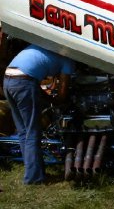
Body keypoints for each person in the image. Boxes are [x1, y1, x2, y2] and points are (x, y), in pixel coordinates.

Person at [3, 44, 75, 184]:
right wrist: (58, 102)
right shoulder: (68, 59)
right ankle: (33, 178)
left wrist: (48, 99)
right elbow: (63, 92)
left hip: (8, 79)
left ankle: (33, 171)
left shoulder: (42, 46)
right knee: (32, 131)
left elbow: (34, 83)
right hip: (24, 81)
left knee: (23, 131)